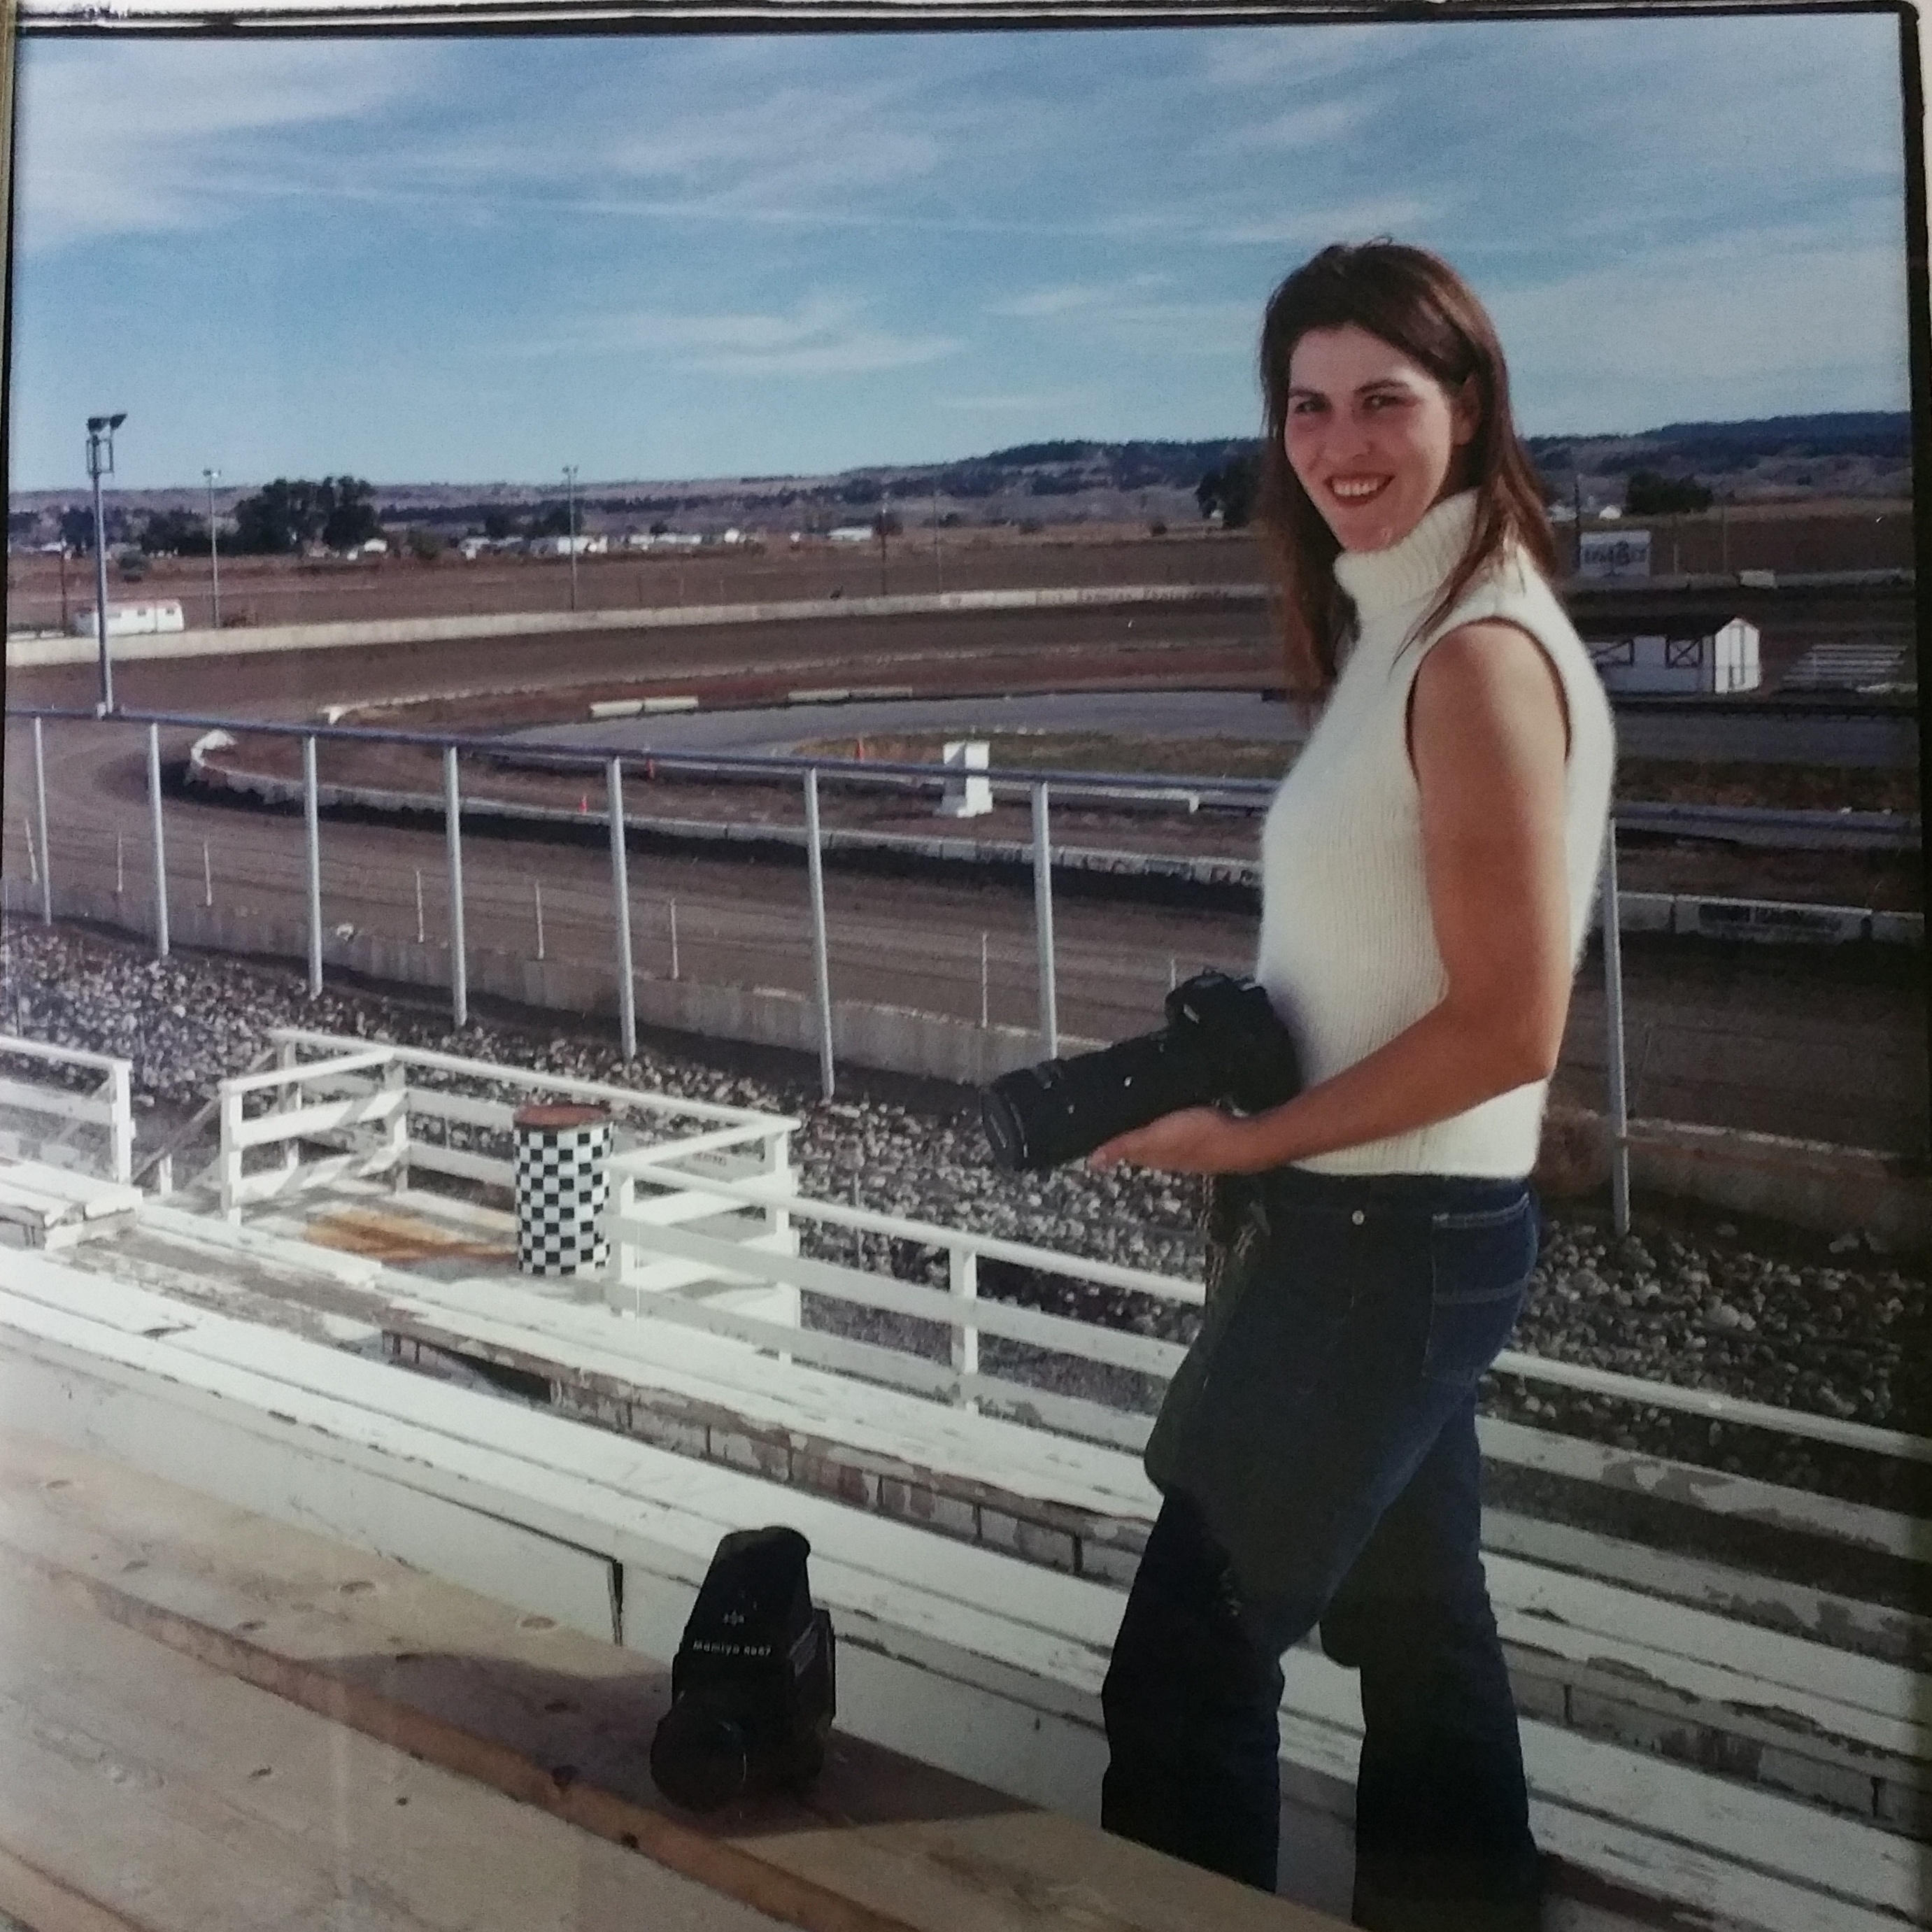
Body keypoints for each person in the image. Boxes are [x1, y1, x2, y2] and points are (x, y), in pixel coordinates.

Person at [1091, 241, 1616, 1932]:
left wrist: (1252, 1133)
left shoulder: (1470, 655)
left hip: (1388, 1233)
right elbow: (1411, 956)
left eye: (1381, 399)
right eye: (1304, 406)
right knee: (1420, 1636)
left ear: (1468, 409)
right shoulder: (1416, 622)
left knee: (1187, 1665)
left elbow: (1511, 1022)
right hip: (1404, 1220)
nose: (1338, 443)